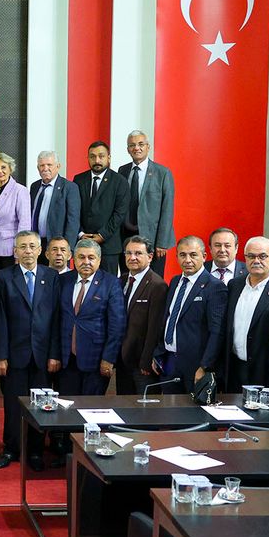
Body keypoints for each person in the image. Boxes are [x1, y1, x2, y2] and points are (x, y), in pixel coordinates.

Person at [0, 231, 60, 470]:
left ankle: (35, 451)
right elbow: (0, 318)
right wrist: (1, 355)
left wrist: (54, 354)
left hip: (42, 355)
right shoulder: (4, 276)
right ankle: (11, 449)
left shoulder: (51, 277)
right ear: (15, 251)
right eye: (23, 247)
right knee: (13, 405)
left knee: (40, 406)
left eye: (32, 246)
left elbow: (56, 318)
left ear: (40, 250)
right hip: (14, 354)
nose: (28, 251)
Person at [154, 236, 228, 392]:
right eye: (182, 255)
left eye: (193, 255)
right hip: (169, 361)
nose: (187, 260)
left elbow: (217, 332)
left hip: (195, 366)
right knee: (168, 405)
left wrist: (205, 366)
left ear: (204, 256)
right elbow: (168, 319)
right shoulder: (175, 281)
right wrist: (159, 353)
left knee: (192, 408)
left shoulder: (215, 287)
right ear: (177, 257)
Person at [56, 238, 125, 396]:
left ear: (99, 260)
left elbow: (117, 326)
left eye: (91, 257)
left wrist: (108, 358)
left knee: (91, 408)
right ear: (74, 259)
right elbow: (56, 320)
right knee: (67, 407)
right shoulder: (63, 280)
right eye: (81, 257)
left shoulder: (111, 283)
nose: (86, 262)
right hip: (66, 360)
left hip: (96, 361)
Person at [221, 236, 269, 391]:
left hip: (263, 372)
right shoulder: (234, 285)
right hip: (233, 367)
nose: (256, 261)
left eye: (262, 256)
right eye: (251, 256)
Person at [117, 131, 175, 275]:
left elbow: (167, 209)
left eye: (141, 144)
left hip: (152, 239)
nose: (136, 148)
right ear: (128, 149)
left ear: (148, 147)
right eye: (132, 145)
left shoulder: (162, 173)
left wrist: (162, 242)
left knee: (153, 280)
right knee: (127, 277)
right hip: (126, 236)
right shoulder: (122, 171)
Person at [118, 236, 168, 396]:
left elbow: (155, 328)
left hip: (143, 365)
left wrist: (146, 361)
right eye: (128, 253)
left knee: (145, 408)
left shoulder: (157, 285)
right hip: (122, 360)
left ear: (150, 257)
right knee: (123, 406)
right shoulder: (121, 280)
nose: (132, 257)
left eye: (138, 253)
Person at [72, 141, 130, 276]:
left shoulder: (120, 181)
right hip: (83, 244)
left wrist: (102, 235)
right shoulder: (79, 179)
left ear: (108, 158)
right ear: (88, 158)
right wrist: (80, 233)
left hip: (108, 246)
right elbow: (74, 211)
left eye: (101, 156)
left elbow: (119, 214)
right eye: (92, 156)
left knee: (106, 284)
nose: (97, 160)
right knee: (82, 282)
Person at [0, 152, 31, 274]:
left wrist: (20, 252)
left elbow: (24, 224)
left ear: (10, 169)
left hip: (9, 249)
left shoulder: (20, 190)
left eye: (3, 167)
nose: (0, 171)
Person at [30, 151, 80, 249]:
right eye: (42, 165)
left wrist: (67, 248)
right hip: (35, 244)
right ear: (38, 168)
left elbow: (73, 221)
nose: (45, 169)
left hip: (57, 246)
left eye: (49, 165)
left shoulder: (69, 187)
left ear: (58, 166)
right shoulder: (34, 186)